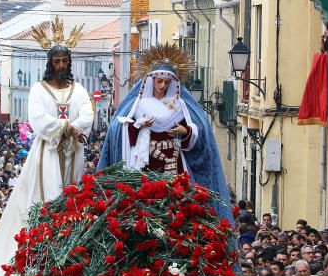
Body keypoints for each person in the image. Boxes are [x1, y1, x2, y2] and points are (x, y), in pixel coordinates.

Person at [0, 18, 94, 276]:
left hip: (73, 150)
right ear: (49, 63)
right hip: (48, 150)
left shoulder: (79, 89)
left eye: (63, 60)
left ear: (69, 62)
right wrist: (67, 127)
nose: (60, 64)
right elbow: (38, 118)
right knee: (46, 191)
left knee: (73, 190)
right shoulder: (38, 89)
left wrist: (71, 128)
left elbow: (87, 116)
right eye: (55, 60)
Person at [98, 44, 233, 222]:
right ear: (150, 80)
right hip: (144, 165)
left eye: (167, 82)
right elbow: (117, 128)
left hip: (173, 164)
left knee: (176, 206)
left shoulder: (181, 105)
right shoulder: (137, 105)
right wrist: (138, 126)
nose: (162, 86)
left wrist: (185, 131)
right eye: (159, 81)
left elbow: (201, 133)